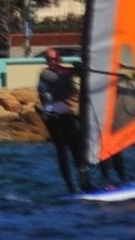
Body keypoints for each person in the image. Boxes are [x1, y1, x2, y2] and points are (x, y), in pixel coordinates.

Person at [37, 48, 95, 194]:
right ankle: (70, 187)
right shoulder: (45, 74)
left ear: (60, 59)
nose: (52, 62)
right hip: (52, 119)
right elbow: (58, 78)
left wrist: (83, 70)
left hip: (66, 116)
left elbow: (71, 83)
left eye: (55, 59)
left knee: (78, 149)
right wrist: (75, 71)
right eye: (50, 60)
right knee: (62, 151)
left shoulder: (63, 71)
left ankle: (84, 183)